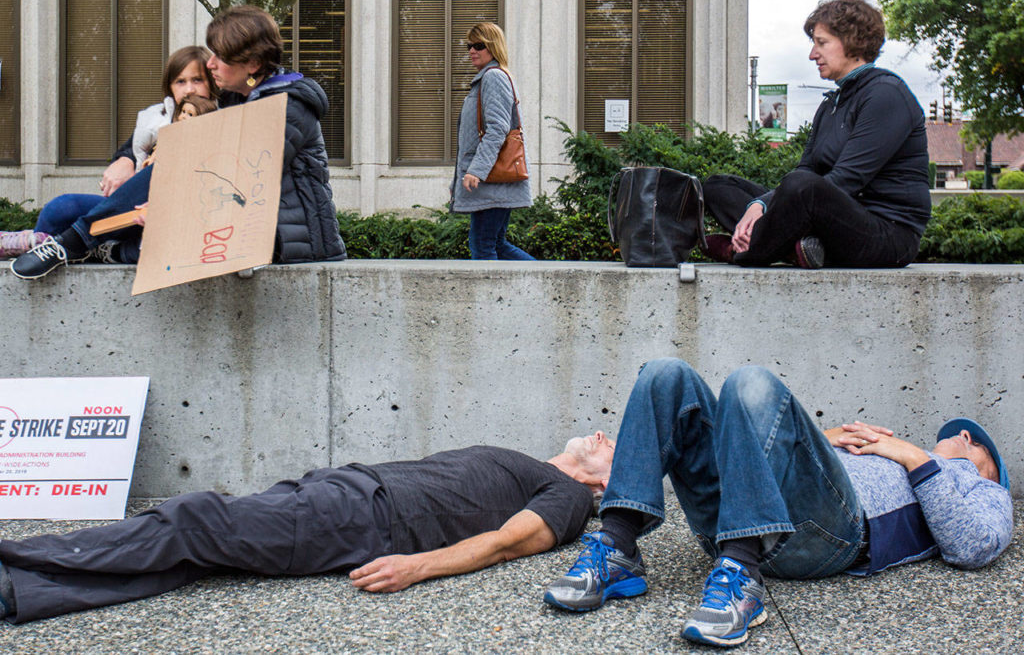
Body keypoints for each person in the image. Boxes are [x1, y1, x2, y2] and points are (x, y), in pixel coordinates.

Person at [544, 358, 1012, 649]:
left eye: (977, 450)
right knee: (666, 375)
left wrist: (914, 456)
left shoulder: (978, 486)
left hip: (829, 536)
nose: (962, 439)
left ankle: (742, 578)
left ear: (977, 453)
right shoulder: (882, 447)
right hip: (733, 518)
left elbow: (974, 546)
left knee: (751, 381)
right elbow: (792, 458)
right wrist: (819, 440)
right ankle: (619, 545)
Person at [0, 432, 615, 623]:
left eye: (615, 447)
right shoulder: (542, 466)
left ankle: (18, 556)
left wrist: (418, 566)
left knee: (193, 518)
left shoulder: (569, 499)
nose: (603, 435)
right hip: (343, 493)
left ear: (603, 486)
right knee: (195, 555)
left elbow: (511, 543)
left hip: (362, 517)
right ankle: (23, 592)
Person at [11, 5, 346, 279]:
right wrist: (127, 157)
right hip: (222, 220)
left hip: (281, 238)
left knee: (148, 219)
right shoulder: (234, 98)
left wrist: (169, 204)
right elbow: (173, 137)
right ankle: (73, 244)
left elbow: (239, 177)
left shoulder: (288, 107)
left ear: (253, 64)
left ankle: (80, 243)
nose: (210, 63)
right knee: (64, 207)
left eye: (220, 57)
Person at [702, 0, 931, 269]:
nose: (812, 54)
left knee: (802, 186)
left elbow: (845, 181)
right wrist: (759, 205)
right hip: (825, 221)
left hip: (886, 235)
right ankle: (795, 248)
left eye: (821, 43)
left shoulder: (886, 95)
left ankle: (741, 251)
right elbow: (807, 169)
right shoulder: (831, 104)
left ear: (853, 40)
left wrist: (769, 206)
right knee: (718, 187)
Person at [0, 47, 216, 261]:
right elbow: (130, 151)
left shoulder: (220, 121)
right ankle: (36, 252)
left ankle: (74, 249)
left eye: (197, 80)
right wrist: (125, 159)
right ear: (169, 86)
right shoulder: (154, 119)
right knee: (61, 207)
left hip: (172, 217)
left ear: (211, 82)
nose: (189, 90)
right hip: (130, 210)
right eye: (180, 81)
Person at [450, 22, 534, 260]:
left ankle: (544, 287)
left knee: (483, 245)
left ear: (492, 46)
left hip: (491, 179)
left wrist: (475, 171)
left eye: (479, 45)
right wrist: (457, 180)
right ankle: (547, 286)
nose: (471, 51)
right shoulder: (489, 77)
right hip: (490, 179)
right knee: (496, 244)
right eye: (469, 46)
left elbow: (498, 129)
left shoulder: (493, 77)